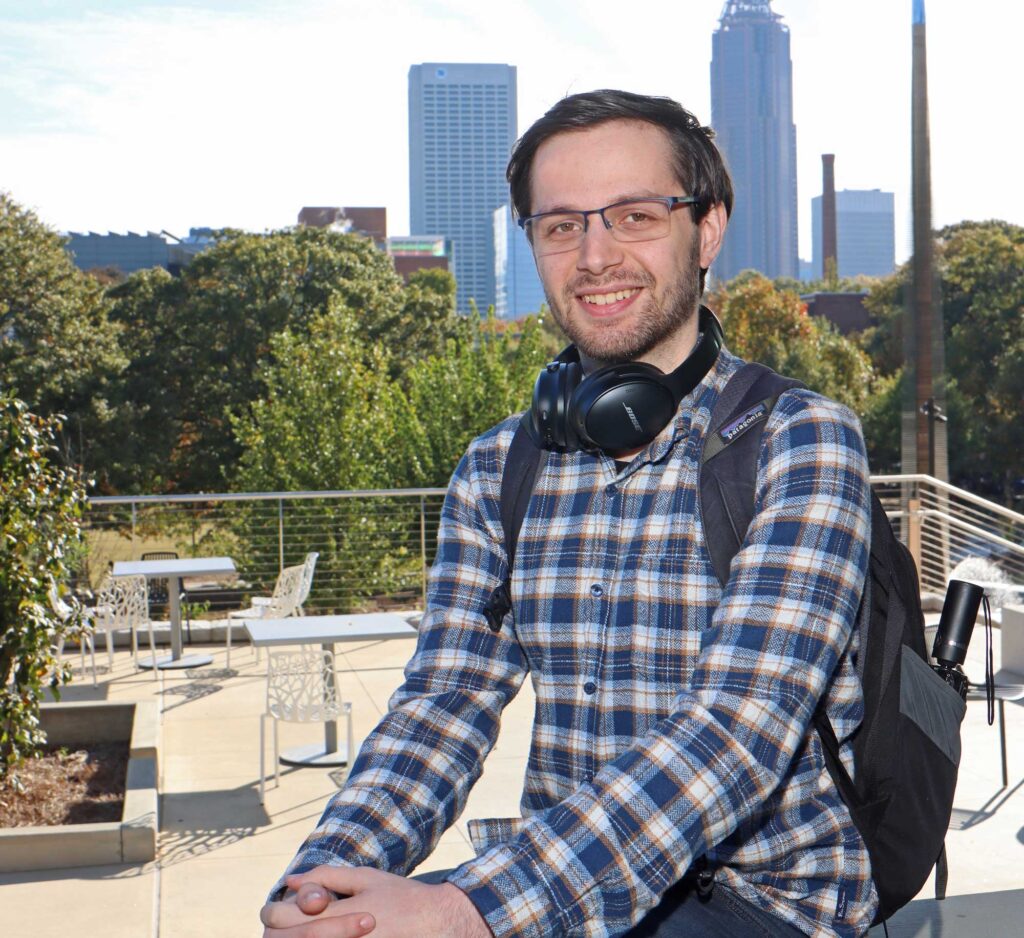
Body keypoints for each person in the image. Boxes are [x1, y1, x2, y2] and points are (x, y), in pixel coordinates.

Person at [261, 90, 875, 938]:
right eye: (561, 226)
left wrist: (467, 909)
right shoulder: (498, 467)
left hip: (765, 903)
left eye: (633, 216)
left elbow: (736, 734)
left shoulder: (800, 441)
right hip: (559, 888)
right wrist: (322, 884)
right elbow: (443, 706)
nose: (595, 255)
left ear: (708, 228)